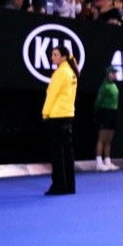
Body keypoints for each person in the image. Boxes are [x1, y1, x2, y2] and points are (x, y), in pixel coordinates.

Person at [43, 46, 79, 195]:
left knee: (58, 154)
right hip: (68, 115)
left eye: (55, 55)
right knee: (68, 153)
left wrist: (45, 113)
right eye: (52, 55)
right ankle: (69, 186)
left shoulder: (60, 73)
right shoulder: (72, 73)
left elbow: (52, 94)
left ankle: (59, 186)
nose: (52, 57)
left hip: (57, 116)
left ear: (63, 57)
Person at [93, 66, 121, 172]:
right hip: (105, 112)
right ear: (108, 74)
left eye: (115, 73)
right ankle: (99, 162)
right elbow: (98, 102)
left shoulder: (114, 85)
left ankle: (108, 161)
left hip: (113, 112)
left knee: (109, 139)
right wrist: (96, 113)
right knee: (102, 139)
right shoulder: (104, 86)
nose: (115, 74)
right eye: (113, 73)